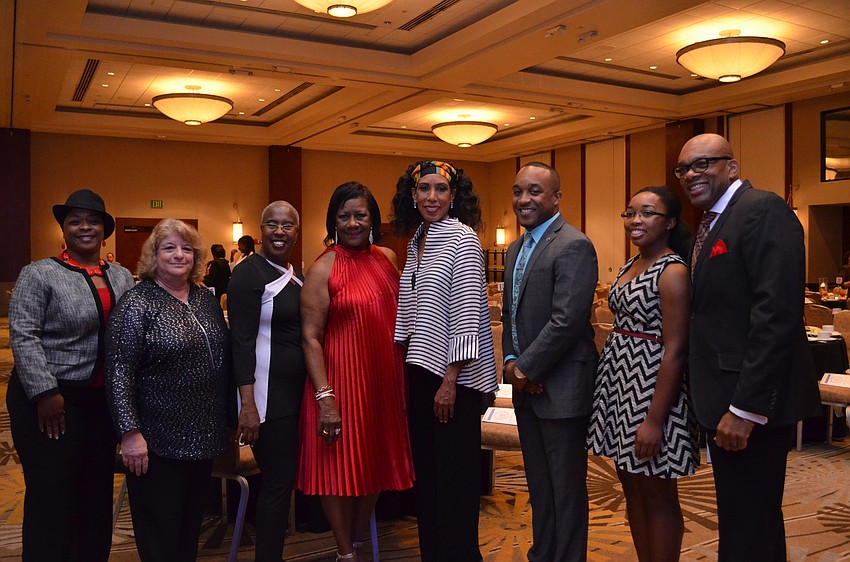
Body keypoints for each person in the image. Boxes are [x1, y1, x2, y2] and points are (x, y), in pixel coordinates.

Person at [676, 133, 820, 561]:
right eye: (683, 168)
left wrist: (745, 409)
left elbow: (776, 316)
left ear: (732, 168)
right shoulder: (713, 221)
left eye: (703, 164)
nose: (690, 175)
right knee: (749, 522)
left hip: (749, 405)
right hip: (723, 398)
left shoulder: (762, 210)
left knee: (747, 526)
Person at [7, 189, 134, 562]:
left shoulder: (122, 275)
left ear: (104, 230)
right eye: (75, 220)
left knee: (96, 493)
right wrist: (44, 393)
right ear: (64, 228)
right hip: (51, 400)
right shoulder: (38, 274)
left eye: (93, 220)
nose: (85, 227)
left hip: (100, 402)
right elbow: (24, 335)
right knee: (53, 493)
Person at [298, 182, 414, 561]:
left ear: (372, 219)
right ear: (334, 220)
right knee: (335, 468)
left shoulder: (388, 258)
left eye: (360, 215)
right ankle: (345, 550)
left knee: (376, 460)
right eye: (344, 216)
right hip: (339, 380)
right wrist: (325, 396)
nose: (352, 223)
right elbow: (311, 338)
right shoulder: (322, 268)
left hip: (382, 379)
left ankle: (360, 535)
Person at [105, 219, 230, 562]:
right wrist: (130, 433)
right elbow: (118, 373)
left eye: (186, 248)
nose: (179, 255)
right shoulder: (137, 303)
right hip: (155, 444)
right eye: (169, 248)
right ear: (153, 256)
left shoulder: (204, 299)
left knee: (190, 531)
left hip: (202, 438)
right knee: (160, 535)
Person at [392, 161, 498, 562]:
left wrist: (450, 380)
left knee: (455, 485)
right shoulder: (418, 238)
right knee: (430, 484)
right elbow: (410, 308)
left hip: (456, 380)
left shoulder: (462, 238)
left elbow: (469, 311)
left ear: (454, 196)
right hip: (420, 372)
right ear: (413, 195)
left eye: (441, 189)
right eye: (424, 189)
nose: (432, 197)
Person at [587, 186, 697, 562]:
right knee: (630, 485)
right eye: (630, 212)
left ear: (668, 222)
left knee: (657, 491)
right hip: (618, 385)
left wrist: (654, 420)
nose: (635, 220)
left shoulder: (673, 271)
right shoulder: (630, 264)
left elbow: (676, 349)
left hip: (650, 388)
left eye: (647, 213)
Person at [502, 162, 598, 562]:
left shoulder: (573, 244)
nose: (524, 200)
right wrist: (510, 361)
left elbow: (568, 320)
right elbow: (510, 314)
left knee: (566, 488)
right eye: (519, 191)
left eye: (535, 191)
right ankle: (543, 555)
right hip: (528, 386)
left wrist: (526, 369)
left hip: (562, 389)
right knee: (539, 486)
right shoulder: (514, 248)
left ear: (556, 198)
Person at [228, 202, 307, 562]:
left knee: (282, 483)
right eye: (272, 224)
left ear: (297, 231)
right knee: (276, 486)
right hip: (265, 398)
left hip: (293, 396)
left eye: (287, 225)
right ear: (261, 230)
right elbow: (241, 342)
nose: (280, 231)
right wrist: (247, 405)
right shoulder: (249, 273)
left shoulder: (293, 272)